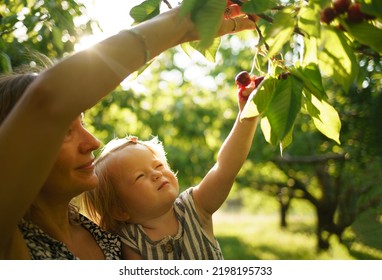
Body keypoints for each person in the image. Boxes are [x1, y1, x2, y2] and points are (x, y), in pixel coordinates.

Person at [0, 3, 256, 260]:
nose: (93, 142)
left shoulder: (107, 237)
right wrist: (180, 23)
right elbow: (45, 102)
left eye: (83, 122)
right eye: (65, 130)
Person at [81, 79, 259, 259]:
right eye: (140, 176)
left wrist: (247, 114)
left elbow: (225, 168)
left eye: (158, 165)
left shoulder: (195, 207)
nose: (157, 174)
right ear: (120, 210)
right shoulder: (129, 241)